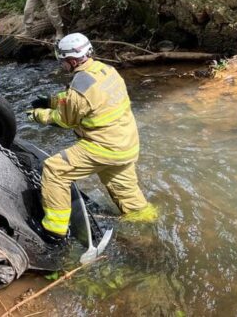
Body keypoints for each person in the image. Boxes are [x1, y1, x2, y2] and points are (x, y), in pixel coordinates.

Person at [27, 33, 156, 241]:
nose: (61, 65)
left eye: (62, 61)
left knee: (54, 170)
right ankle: (149, 229)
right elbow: (88, 100)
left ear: (72, 61)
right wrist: (51, 100)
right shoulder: (107, 70)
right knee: (128, 195)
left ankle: (55, 230)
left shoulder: (80, 88)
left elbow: (65, 119)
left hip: (102, 146)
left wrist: (38, 115)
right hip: (127, 145)